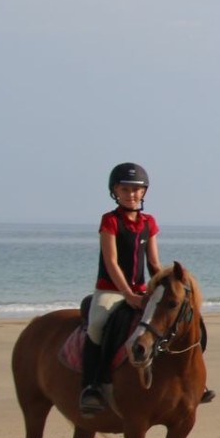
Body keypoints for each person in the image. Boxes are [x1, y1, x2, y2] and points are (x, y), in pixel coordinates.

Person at [80, 162, 161, 415]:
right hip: (111, 291)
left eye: (136, 189)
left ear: (144, 192)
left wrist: (164, 286)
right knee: (96, 325)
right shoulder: (110, 221)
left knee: (170, 320)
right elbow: (111, 262)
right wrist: (127, 294)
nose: (131, 194)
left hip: (140, 290)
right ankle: (92, 385)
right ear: (115, 191)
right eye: (125, 189)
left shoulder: (149, 222)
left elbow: (154, 263)